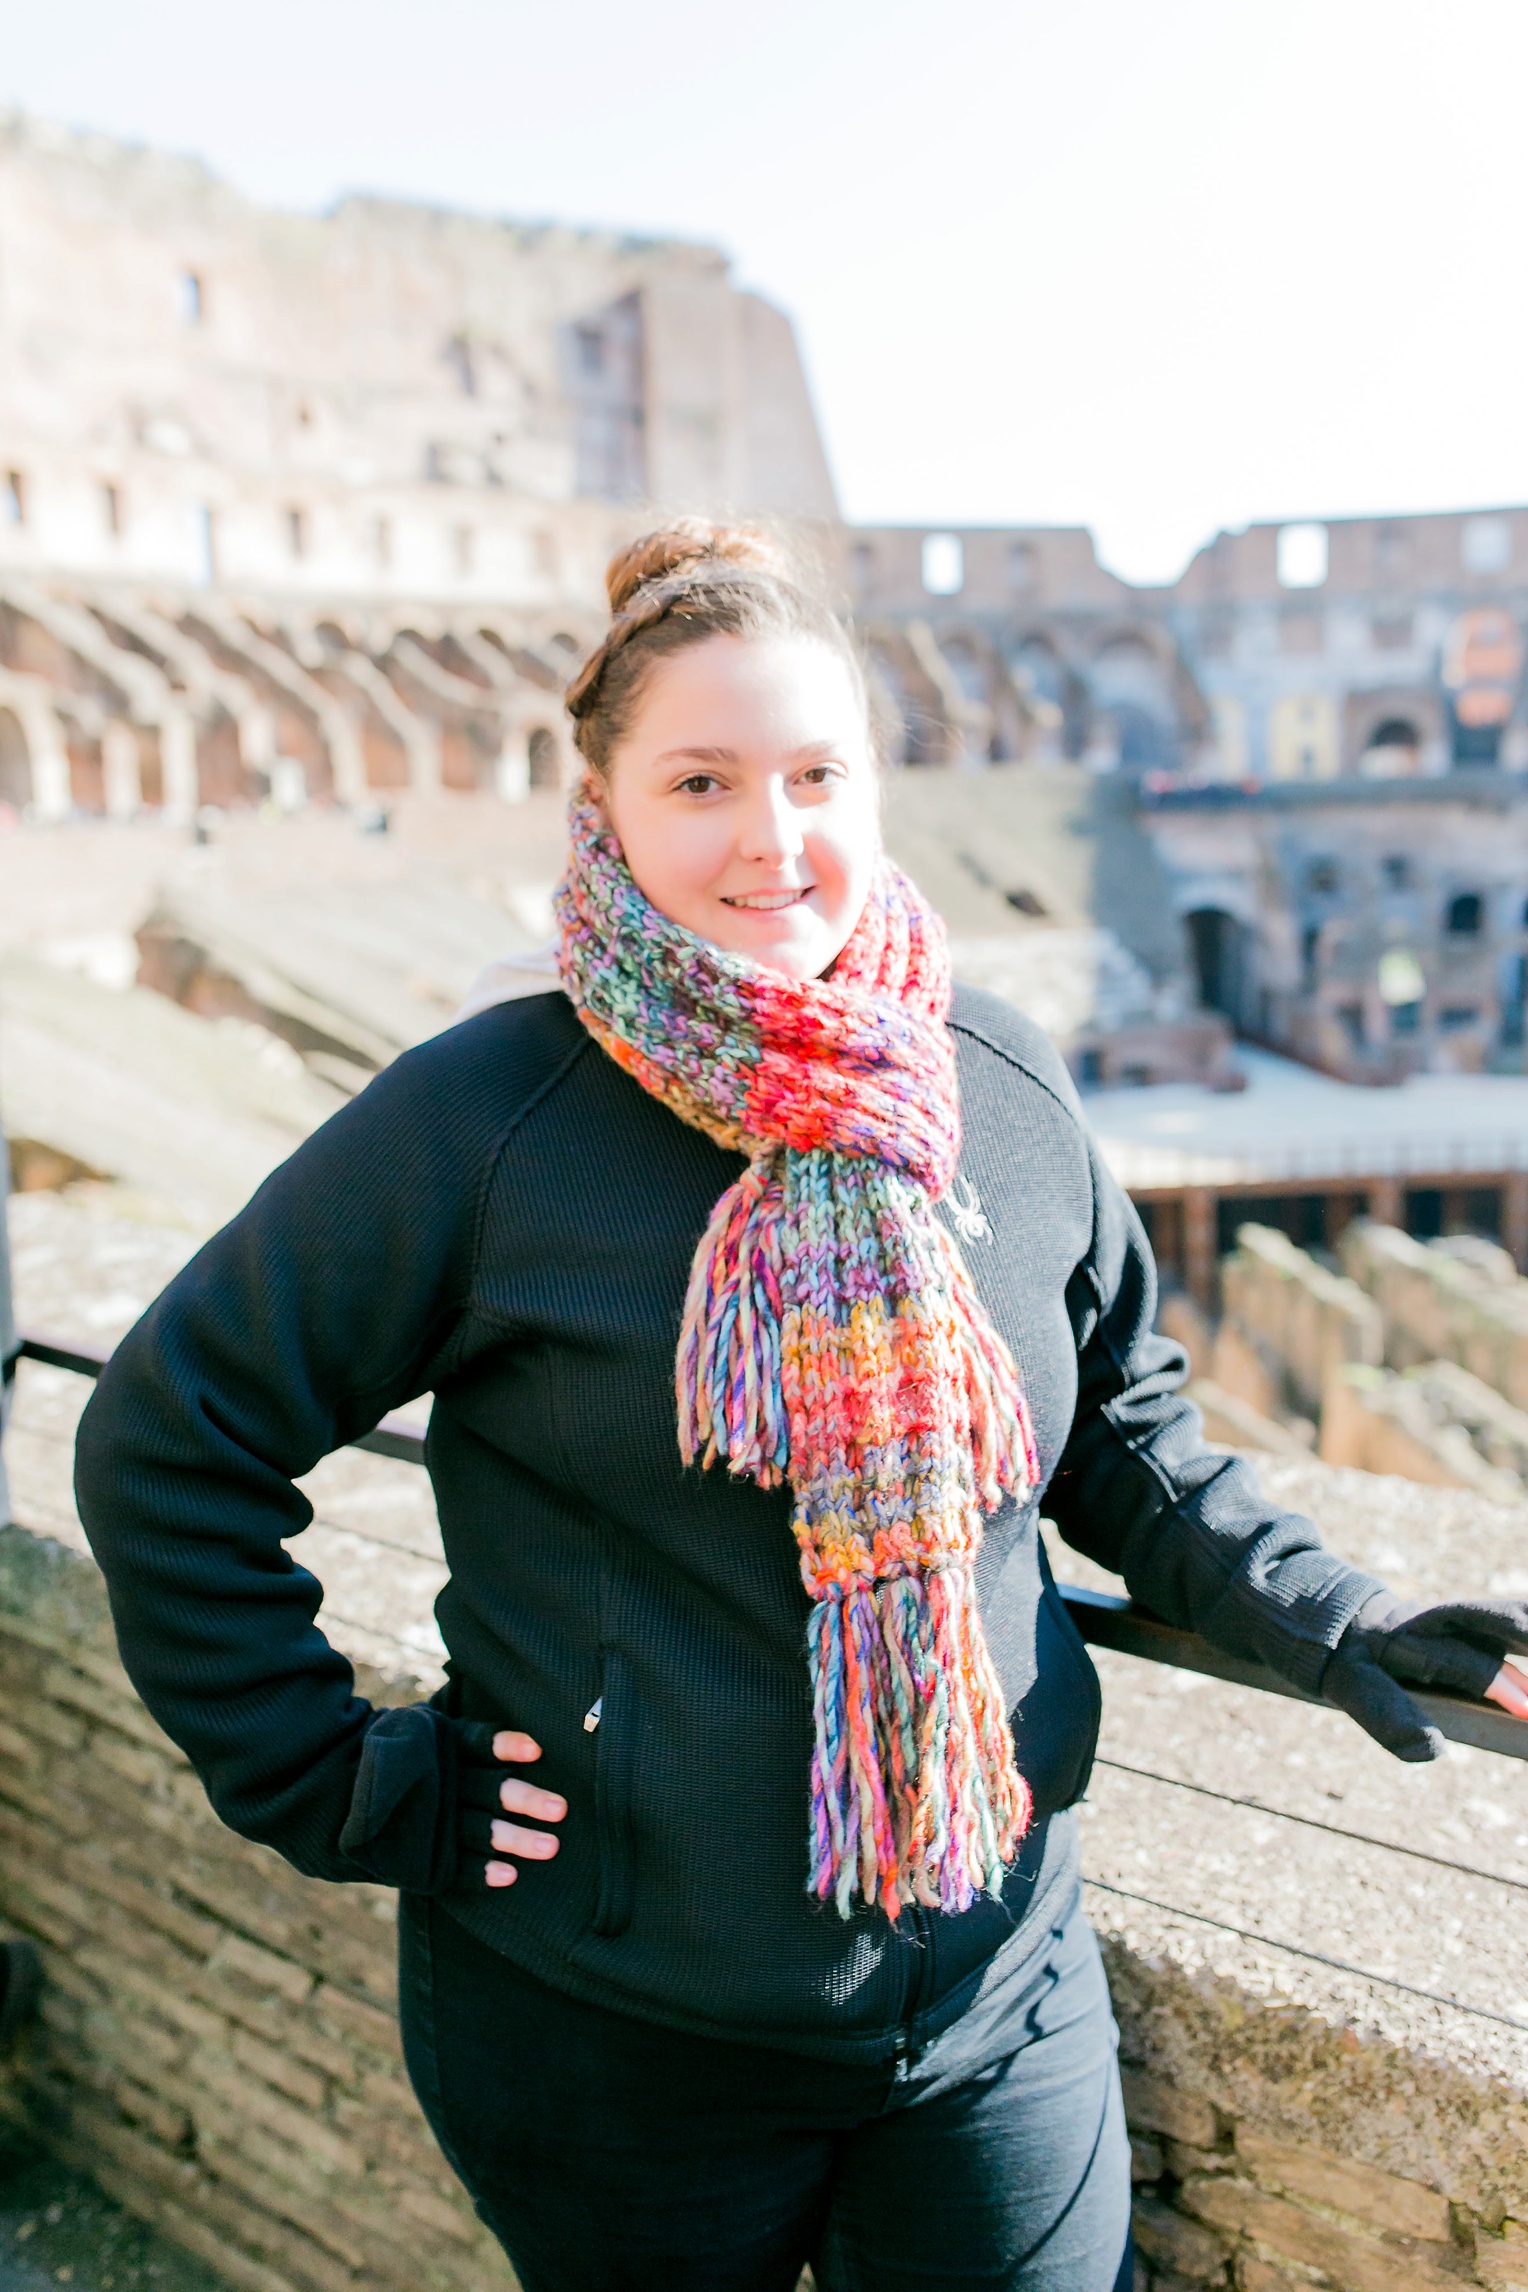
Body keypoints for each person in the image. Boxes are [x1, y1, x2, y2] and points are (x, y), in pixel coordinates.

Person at [74, 524, 1528, 2292]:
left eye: (816, 775)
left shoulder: (988, 1080)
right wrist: (349, 1786)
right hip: (616, 2026)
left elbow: (1127, 1445)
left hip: (993, 1980)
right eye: (703, 780)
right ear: (603, 801)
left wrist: (1340, 1613)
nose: (773, 839)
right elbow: (170, 1442)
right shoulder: (488, 1121)